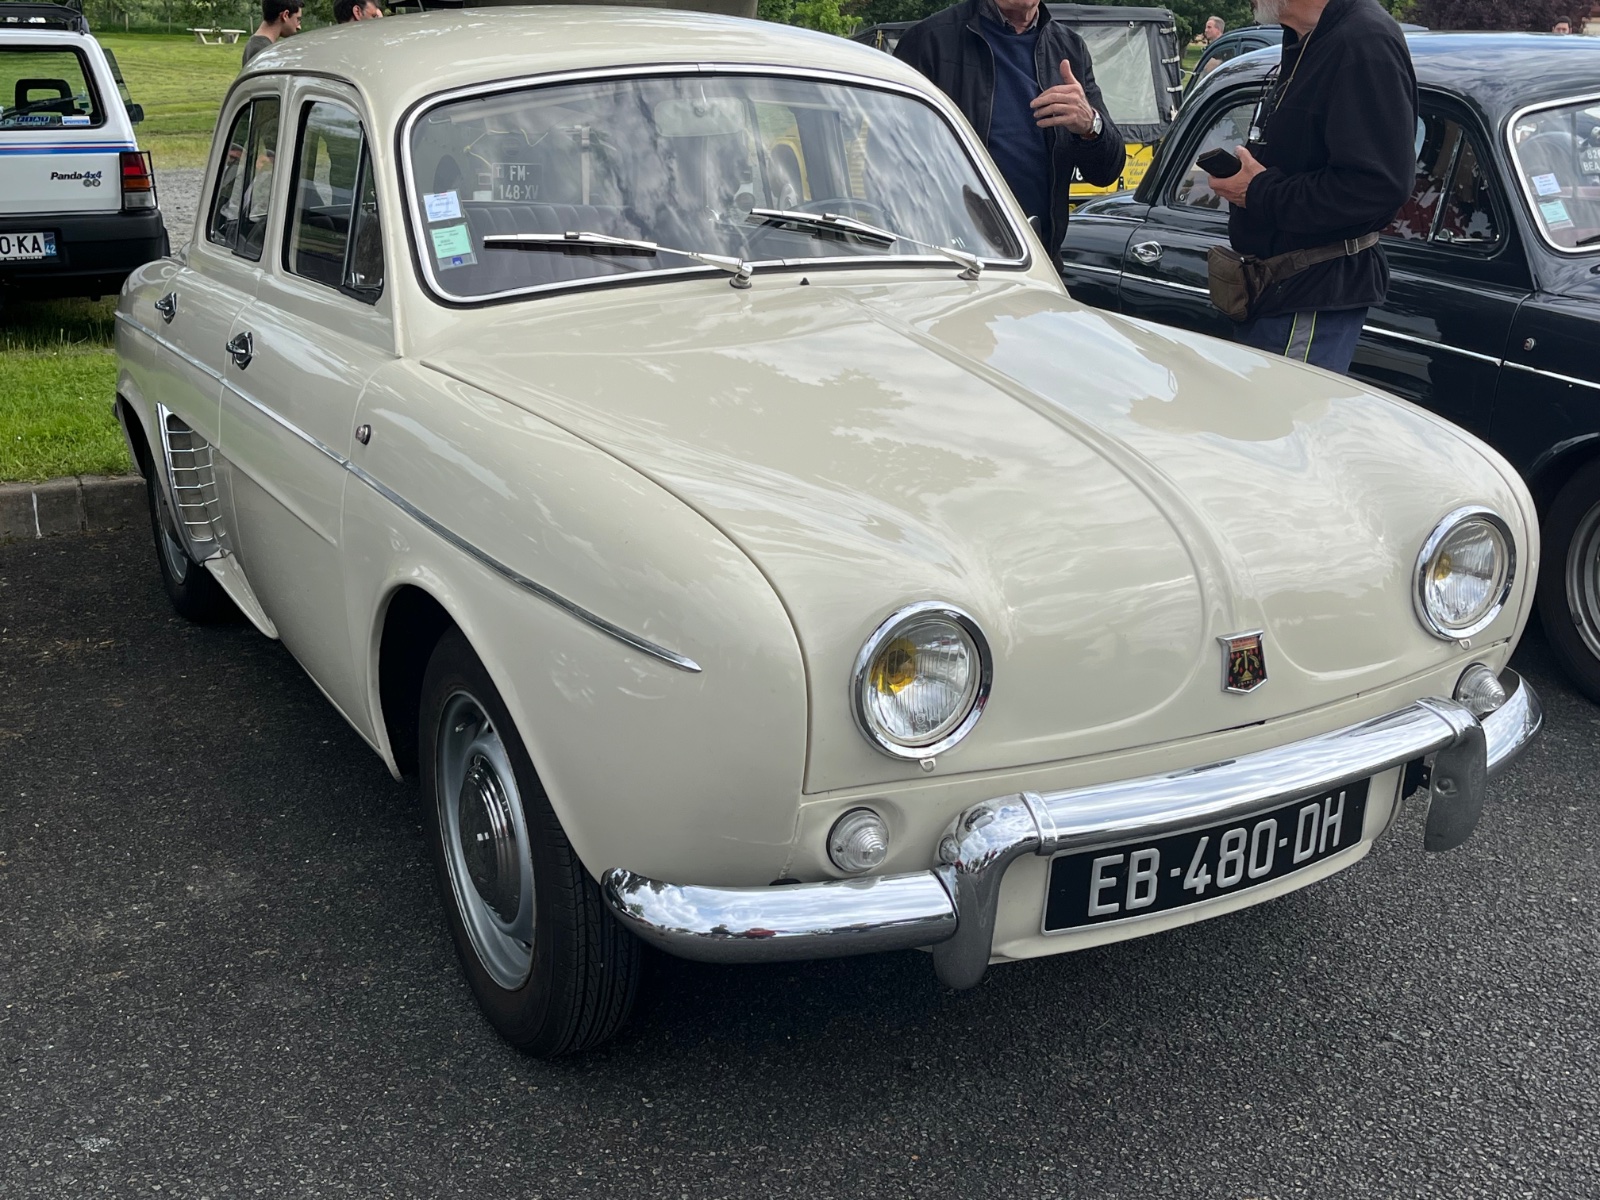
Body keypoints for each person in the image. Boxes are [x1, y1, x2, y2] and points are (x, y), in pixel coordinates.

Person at [1205, 0, 1416, 374]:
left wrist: (1259, 191)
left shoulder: (1364, 41)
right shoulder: (1309, 38)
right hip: (1279, 291)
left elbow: (1377, 185)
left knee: (1283, 411)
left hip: (1308, 294)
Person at [894, 0, 1125, 264]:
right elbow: (890, 161)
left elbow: (1106, 172)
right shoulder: (929, 41)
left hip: (1039, 263)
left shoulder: (1069, 48)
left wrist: (1091, 126)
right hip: (950, 263)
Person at [241, 0, 302, 68]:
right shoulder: (264, 52)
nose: (299, 27)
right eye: (298, 19)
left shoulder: (254, 43)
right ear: (285, 15)